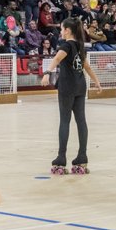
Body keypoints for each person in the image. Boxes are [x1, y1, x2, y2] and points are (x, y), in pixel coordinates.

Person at [40, 17, 102, 175]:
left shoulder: (66, 45)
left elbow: (56, 58)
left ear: (67, 30)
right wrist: (97, 82)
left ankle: (61, 158)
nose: (61, 31)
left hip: (67, 87)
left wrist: (47, 73)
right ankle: (82, 156)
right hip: (80, 87)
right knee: (81, 121)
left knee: (65, 121)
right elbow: (86, 67)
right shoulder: (81, 46)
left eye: (61, 29)